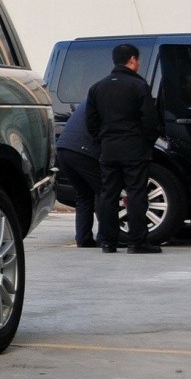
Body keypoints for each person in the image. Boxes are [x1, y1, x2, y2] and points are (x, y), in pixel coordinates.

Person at [86, 42, 163, 254]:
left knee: (108, 195)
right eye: (138, 60)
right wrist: (145, 142)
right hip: (134, 148)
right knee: (136, 193)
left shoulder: (97, 87)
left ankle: (108, 242)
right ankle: (137, 242)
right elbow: (150, 121)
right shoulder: (139, 86)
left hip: (109, 149)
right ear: (132, 60)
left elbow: (91, 122)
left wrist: (102, 140)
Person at [56, 99, 101, 248]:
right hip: (82, 150)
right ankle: (106, 237)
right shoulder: (109, 102)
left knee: (83, 194)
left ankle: (83, 238)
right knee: (105, 192)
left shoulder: (93, 99)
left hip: (63, 148)